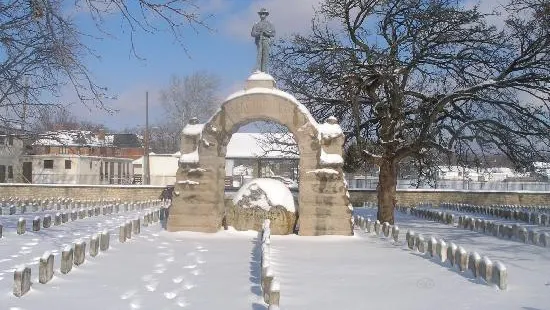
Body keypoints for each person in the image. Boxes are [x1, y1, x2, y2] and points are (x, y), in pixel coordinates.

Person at [251, 8, 276, 73]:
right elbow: (252, 33)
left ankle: (265, 70)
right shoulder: (256, 24)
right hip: (259, 41)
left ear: (266, 15)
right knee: (259, 54)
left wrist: (266, 33)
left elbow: (273, 33)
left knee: (265, 55)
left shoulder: (270, 24)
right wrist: (259, 34)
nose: (262, 15)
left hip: (266, 40)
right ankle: (258, 69)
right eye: (261, 13)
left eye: (264, 13)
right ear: (259, 15)